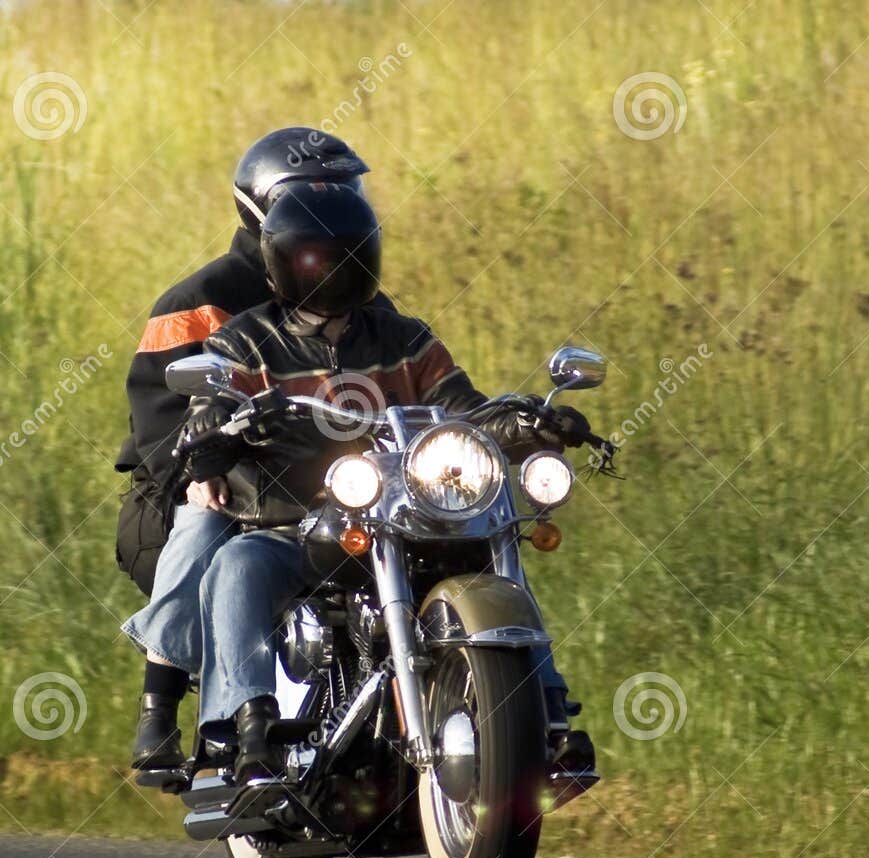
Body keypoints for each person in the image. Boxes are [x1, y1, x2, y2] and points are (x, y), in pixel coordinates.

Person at [177, 181, 594, 782]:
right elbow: (202, 422)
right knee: (238, 564)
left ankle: (544, 718)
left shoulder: (405, 338)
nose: (333, 272)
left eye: (348, 256)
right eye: (317, 258)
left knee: (497, 547)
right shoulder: (243, 341)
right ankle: (248, 729)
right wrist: (219, 426)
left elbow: (463, 409)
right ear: (281, 262)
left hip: (410, 517)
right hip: (294, 524)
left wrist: (528, 419)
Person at [118, 127, 390, 770]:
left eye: (345, 189)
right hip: (195, 485)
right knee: (208, 521)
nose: (336, 203)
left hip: (326, 484)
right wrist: (195, 471)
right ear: (265, 206)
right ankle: (161, 706)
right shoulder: (196, 302)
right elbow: (161, 420)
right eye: (315, 193)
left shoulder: (357, 296)